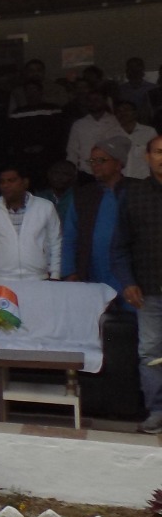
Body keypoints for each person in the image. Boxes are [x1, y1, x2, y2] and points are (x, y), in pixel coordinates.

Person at [111, 134, 162, 433]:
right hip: (149, 290)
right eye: (158, 152)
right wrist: (128, 282)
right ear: (147, 157)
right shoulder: (134, 194)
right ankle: (157, 411)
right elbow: (119, 247)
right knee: (151, 353)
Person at [65, 136, 140, 287]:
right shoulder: (83, 195)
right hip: (91, 276)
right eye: (92, 161)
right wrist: (69, 271)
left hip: (133, 275)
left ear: (118, 164)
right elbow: (69, 235)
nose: (95, 165)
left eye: (101, 160)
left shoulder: (138, 190)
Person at [0, 166, 61, 281]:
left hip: (38, 277)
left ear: (25, 183)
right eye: (2, 182)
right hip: (1, 278)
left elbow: (55, 242)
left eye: (11, 180)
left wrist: (55, 274)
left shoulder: (45, 207)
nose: (5, 185)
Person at [66, 91, 122, 178]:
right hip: (86, 172)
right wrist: (71, 172)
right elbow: (72, 150)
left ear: (104, 101)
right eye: (90, 100)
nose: (93, 103)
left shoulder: (116, 122)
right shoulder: (79, 124)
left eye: (97, 100)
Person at [115, 101, 158, 181]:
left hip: (144, 179)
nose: (122, 113)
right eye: (119, 111)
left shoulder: (149, 132)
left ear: (135, 113)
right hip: (120, 181)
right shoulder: (111, 134)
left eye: (126, 110)